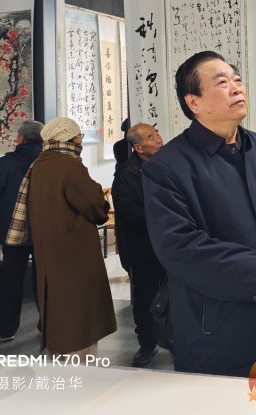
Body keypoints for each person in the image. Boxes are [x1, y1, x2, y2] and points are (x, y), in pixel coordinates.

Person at [142, 51, 256, 377]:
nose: (237, 88)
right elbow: (182, 248)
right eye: (222, 83)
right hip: (216, 332)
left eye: (238, 80)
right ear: (193, 102)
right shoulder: (167, 167)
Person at [7, 117, 117, 356]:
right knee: (79, 310)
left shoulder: (38, 165)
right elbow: (94, 206)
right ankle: (79, 365)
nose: (81, 141)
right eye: (79, 136)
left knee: (57, 304)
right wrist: (101, 200)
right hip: (74, 251)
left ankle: (59, 354)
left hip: (49, 249)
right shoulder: (70, 165)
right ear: (70, 138)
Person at [111, 123, 164, 367]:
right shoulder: (126, 174)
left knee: (176, 295)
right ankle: (147, 344)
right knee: (145, 298)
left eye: (157, 133)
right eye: (151, 137)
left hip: (169, 244)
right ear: (139, 148)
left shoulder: (167, 164)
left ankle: (175, 339)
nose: (159, 139)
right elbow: (130, 213)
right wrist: (166, 216)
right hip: (143, 248)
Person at [0, 120, 44, 341]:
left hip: (13, 231)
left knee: (11, 282)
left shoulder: (4, 164)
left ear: (20, 138)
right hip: (43, 231)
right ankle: (46, 326)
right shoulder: (47, 162)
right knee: (43, 281)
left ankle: (7, 330)